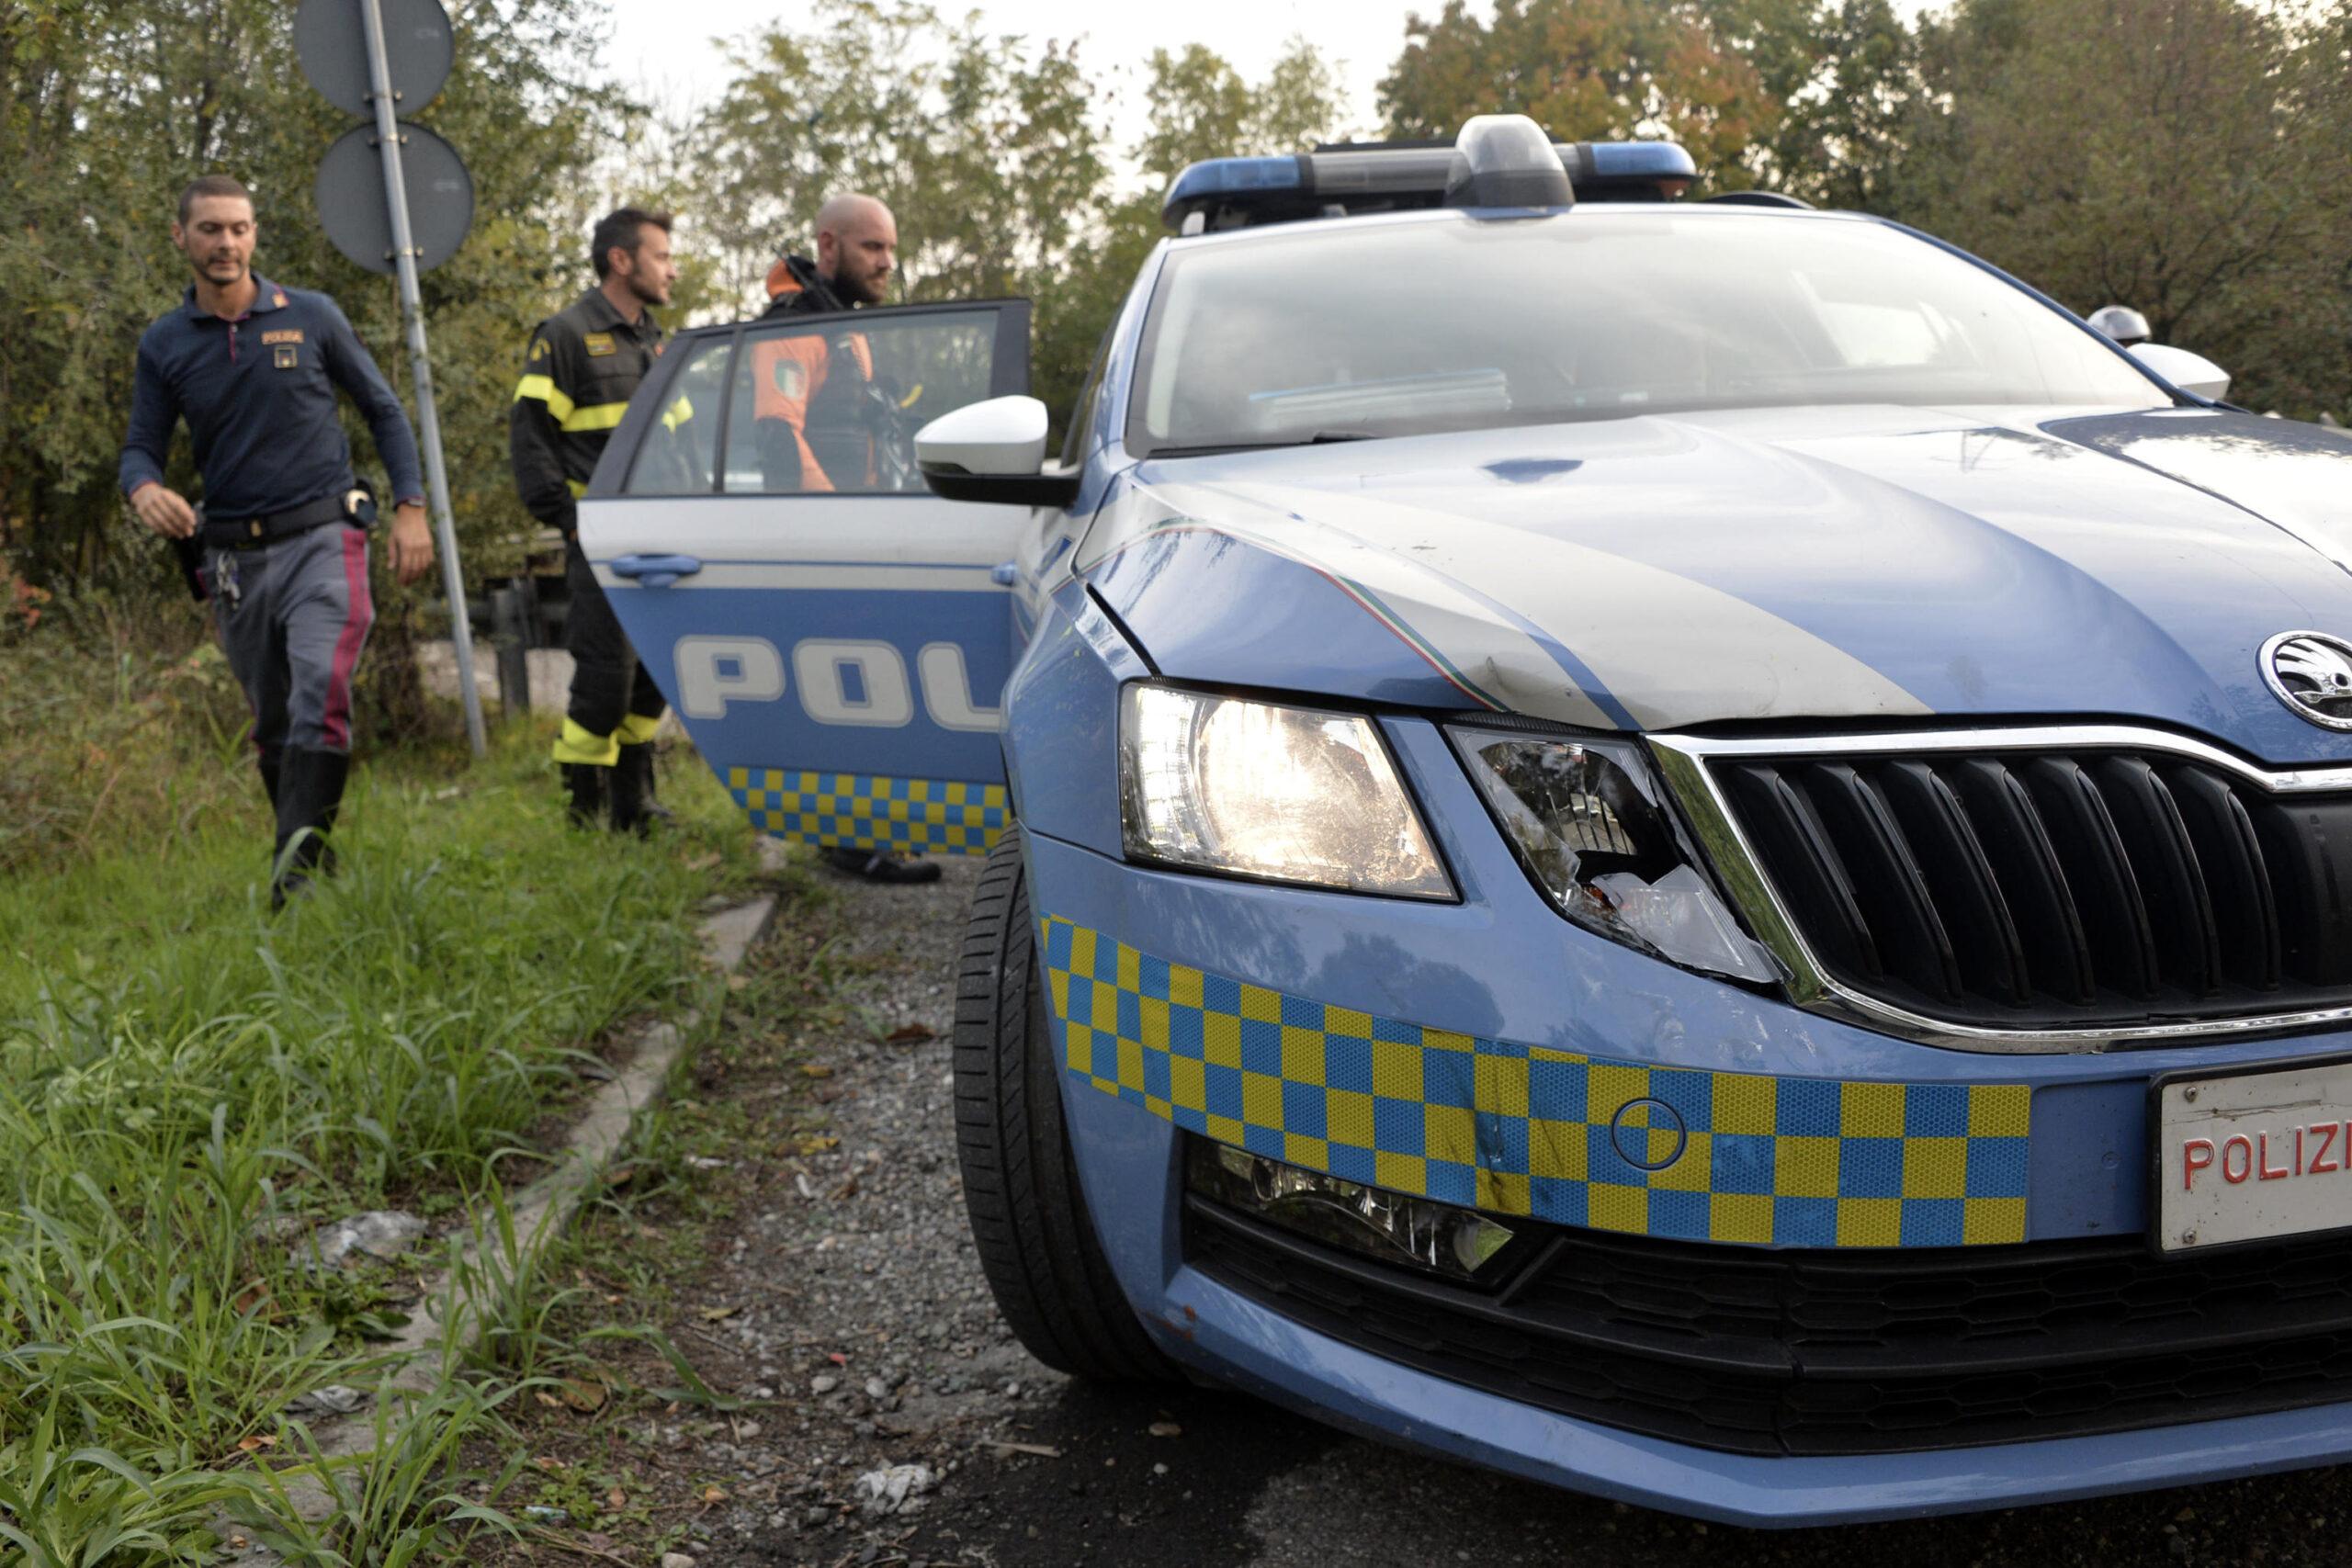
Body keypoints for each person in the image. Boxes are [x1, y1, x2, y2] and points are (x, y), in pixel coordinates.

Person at [120, 173, 434, 908]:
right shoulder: (164, 343)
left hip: (324, 538)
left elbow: (385, 413)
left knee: (320, 694)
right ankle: (312, 863)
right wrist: (143, 489)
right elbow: (140, 446)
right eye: (210, 230)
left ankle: (290, 884)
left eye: (239, 228)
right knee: (271, 722)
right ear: (182, 237)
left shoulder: (313, 316)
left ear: (255, 234)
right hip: (231, 558)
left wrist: (411, 506)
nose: (226, 242)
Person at [755, 194, 940, 886]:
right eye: (873, 248)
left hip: (857, 532)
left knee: (861, 693)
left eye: (891, 249)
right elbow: (778, 432)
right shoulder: (794, 326)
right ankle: (850, 840)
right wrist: (836, 529)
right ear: (829, 246)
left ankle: (862, 832)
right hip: (824, 541)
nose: (888, 263)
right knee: (844, 694)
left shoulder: (845, 328)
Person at [510, 209, 681, 832]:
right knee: (605, 683)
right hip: (599, 541)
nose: (671, 269)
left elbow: (680, 441)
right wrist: (569, 520)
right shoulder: (565, 334)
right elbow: (530, 441)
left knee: (654, 677)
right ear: (621, 259)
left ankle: (634, 808)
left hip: (661, 539)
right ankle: (582, 814)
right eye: (661, 256)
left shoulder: (659, 343)